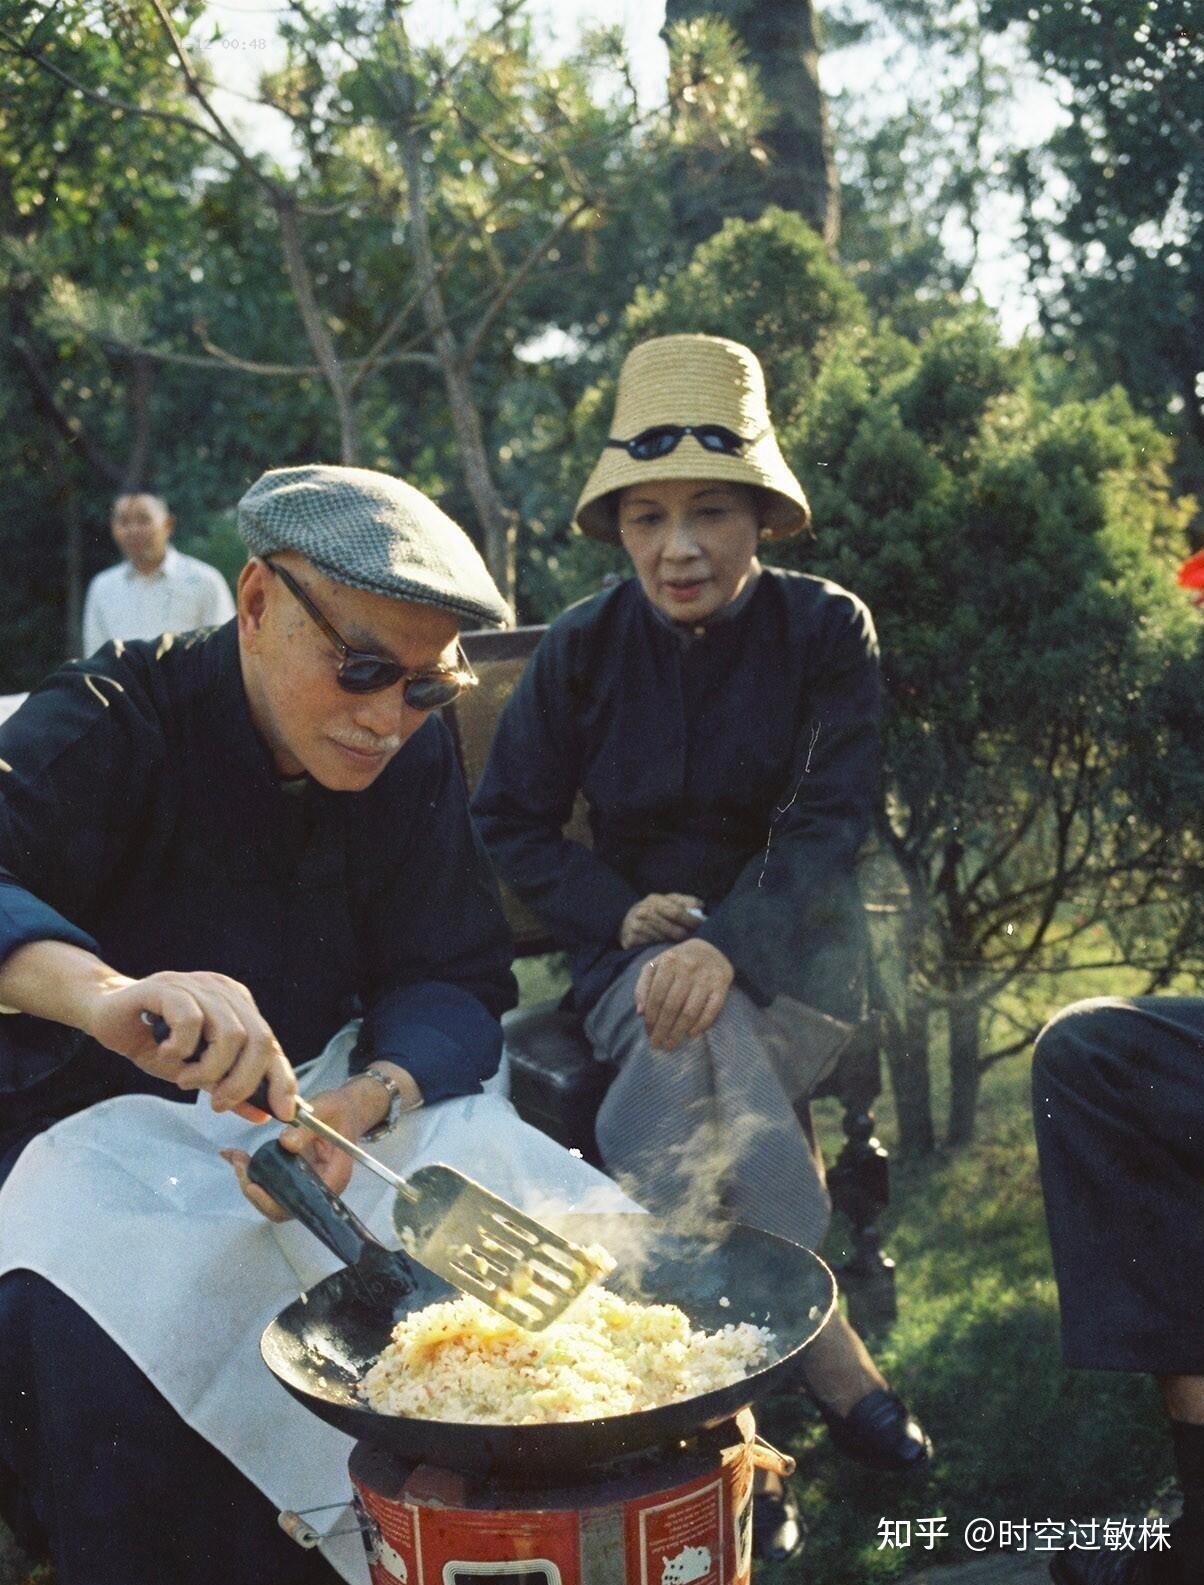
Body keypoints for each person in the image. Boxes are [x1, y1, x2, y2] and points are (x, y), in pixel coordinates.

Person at [0, 464, 633, 1585]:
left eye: (426, 689)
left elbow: (449, 969)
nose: (388, 717)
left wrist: (375, 1091)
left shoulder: (407, 748)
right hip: (91, 1143)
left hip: (327, 1108)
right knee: (134, 1355)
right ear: (253, 603)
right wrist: (104, 995)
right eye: (360, 668)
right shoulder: (107, 719)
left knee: (576, 1237)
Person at [472, 334, 931, 1562]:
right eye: (648, 515)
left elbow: (829, 817)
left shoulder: (826, 630)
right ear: (618, 525)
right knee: (687, 1030)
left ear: (761, 518)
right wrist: (616, 911)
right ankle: (825, 1362)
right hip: (633, 969)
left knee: (699, 1038)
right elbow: (509, 817)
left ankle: (726, 1425)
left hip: (794, 971)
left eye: (709, 512)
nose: (677, 547)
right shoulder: (579, 648)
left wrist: (726, 943)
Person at [81, 490, 235, 653]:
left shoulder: (205, 580)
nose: (133, 530)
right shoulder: (103, 586)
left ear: (168, 524)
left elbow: (224, 651)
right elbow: (95, 658)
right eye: (124, 522)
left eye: (144, 520)